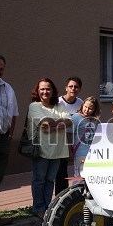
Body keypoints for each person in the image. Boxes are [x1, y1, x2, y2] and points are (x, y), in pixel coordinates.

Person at [28, 78, 72, 218]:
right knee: (39, 180)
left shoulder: (59, 106)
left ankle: (47, 206)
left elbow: (69, 121)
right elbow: (44, 124)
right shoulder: (35, 106)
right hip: (41, 149)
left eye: (48, 89)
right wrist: (59, 124)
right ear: (38, 91)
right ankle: (38, 208)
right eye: (42, 89)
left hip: (58, 150)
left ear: (52, 91)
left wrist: (52, 126)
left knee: (50, 180)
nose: (45, 91)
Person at [55, 76, 83, 195]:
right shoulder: (58, 102)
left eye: (76, 87)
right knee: (61, 171)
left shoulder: (80, 103)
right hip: (60, 139)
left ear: (79, 89)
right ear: (66, 88)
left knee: (79, 169)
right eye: (71, 86)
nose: (73, 89)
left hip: (76, 139)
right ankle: (60, 196)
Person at [0, 54, 19, 191]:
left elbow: (14, 114)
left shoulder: (8, 89)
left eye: (1, 69)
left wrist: (10, 136)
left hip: (3, 139)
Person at [71, 96, 100, 182]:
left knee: (89, 176)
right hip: (80, 152)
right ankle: (76, 193)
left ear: (94, 110)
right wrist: (69, 150)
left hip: (92, 152)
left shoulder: (95, 120)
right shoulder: (75, 117)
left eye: (90, 108)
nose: (87, 110)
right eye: (85, 107)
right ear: (82, 106)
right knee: (80, 175)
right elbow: (69, 134)